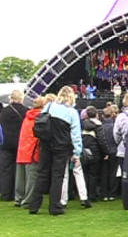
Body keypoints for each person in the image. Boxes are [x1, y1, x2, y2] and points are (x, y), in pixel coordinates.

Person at [29, 86, 82, 215]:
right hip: (62, 146)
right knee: (57, 176)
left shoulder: (49, 106)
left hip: (46, 143)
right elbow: (75, 135)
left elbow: (41, 122)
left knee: (42, 173)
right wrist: (77, 152)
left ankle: (34, 205)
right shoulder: (72, 112)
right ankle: (55, 206)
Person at [14, 96, 46, 208]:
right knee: (31, 178)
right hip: (32, 150)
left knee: (20, 178)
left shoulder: (27, 117)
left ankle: (18, 198)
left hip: (22, 149)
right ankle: (27, 201)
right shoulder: (40, 117)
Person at [0, 90, 28, 201]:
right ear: (21, 98)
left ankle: (6, 194)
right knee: (19, 170)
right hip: (20, 143)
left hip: (5, 143)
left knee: (6, 169)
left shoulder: (4, 111)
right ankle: (18, 193)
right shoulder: (25, 111)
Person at [81, 106, 110, 202]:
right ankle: (92, 195)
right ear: (97, 114)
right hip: (95, 152)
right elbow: (101, 141)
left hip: (84, 151)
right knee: (93, 174)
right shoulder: (98, 126)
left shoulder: (83, 124)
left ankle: (84, 195)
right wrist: (106, 152)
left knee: (85, 173)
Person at [100, 106, 119, 201]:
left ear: (102, 116)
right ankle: (112, 194)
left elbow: (100, 140)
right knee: (113, 173)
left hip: (104, 152)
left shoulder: (100, 127)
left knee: (104, 173)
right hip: (114, 151)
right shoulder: (115, 126)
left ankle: (104, 194)